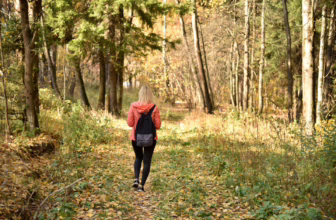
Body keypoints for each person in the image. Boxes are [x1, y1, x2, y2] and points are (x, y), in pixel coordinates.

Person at [127, 86, 161, 192]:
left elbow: (130, 123)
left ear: (140, 94)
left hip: (135, 137)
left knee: (138, 158)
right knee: (146, 161)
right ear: (150, 95)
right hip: (150, 138)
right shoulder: (154, 108)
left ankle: (136, 179)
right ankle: (142, 186)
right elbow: (158, 125)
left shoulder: (133, 106)